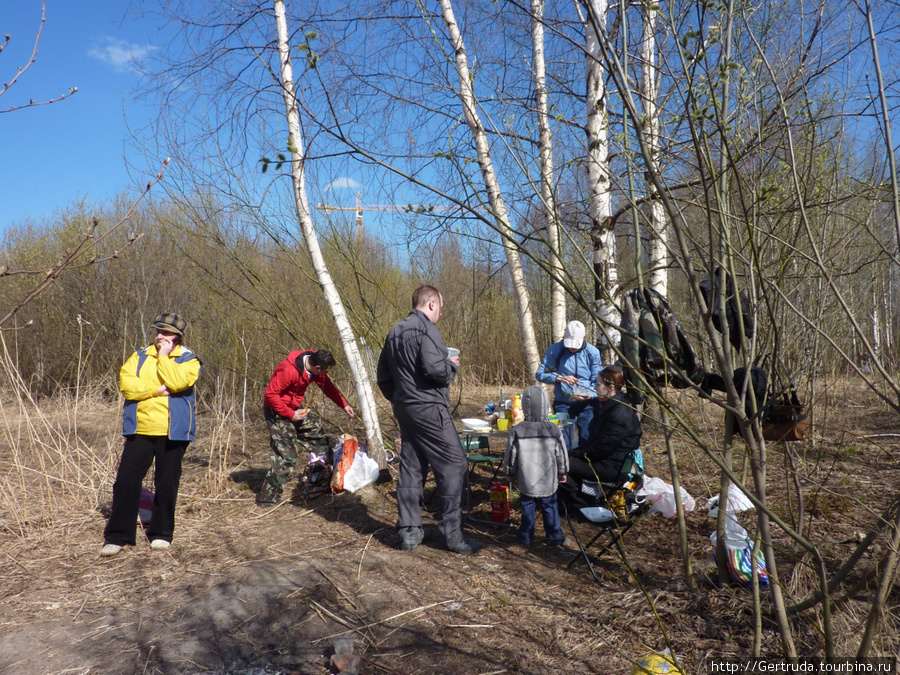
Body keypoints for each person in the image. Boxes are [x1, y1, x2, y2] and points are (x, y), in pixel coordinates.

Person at [376, 285, 482, 555]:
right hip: (428, 408)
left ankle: (409, 532)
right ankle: (453, 534)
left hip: (405, 407)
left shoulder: (395, 331)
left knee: (412, 464)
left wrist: (401, 398)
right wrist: (452, 365)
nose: (441, 314)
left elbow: (383, 378)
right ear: (432, 303)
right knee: (455, 463)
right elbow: (436, 370)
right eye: (441, 308)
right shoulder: (427, 330)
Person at [101, 313, 202, 557]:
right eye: (158, 331)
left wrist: (165, 357)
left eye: (165, 333)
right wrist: (155, 390)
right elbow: (127, 386)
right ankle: (118, 536)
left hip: (172, 433)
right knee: (125, 482)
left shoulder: (189, 359)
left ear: (176, 338)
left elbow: (178, 383)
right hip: (140, 430)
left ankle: (161, 534)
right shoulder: (139, 356)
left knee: (166, 484)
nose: (159, 336)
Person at [257, 349, 355, 505]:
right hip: (276, 411)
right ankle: (267, 498)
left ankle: (324, 482)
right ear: (317, 368)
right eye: (325, 371)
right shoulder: (288, 370)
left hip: (294, 409)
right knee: (286, 455)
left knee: (318, 438)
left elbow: (327, 386)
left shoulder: (316, 365)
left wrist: (344, 405)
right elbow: (270, 395)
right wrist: (290, 414)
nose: (325, 374)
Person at [503, 385, 570, 547]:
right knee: (550, 506)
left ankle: (525, 536)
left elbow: (511, 455)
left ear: (524, 407)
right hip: (548, 478)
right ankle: (554, 536)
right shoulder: (553, 429)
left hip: (527, 478)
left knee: (528, 506)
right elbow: (562, 453)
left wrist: (510, 472)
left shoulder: (518, 430)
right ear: (546, 406)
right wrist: (563, 471)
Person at [534, 320, 604, 451]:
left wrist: (591, 395)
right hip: (563, 403)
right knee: (563, 442)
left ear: (585, 337)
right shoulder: (555, 350)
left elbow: (598, 380)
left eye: (575, 344)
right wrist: (558, 378)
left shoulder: (593, 352)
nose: (572, 348)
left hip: (588, 404)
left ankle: (583, 468)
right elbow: (540, 374)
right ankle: (564, 469)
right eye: (569, 344)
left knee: (587, 438)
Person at [567, 366, 642, 484]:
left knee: (563, 465)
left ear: (610, 388)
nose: (594, 388)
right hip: (606, 461)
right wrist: (573, 453)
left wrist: (574, 454)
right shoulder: (611, 405)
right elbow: (596, 442)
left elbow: (600, 450)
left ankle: (577, 501)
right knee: (565, 460)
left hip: (611, 468)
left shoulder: (618, 413)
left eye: (598, 385)